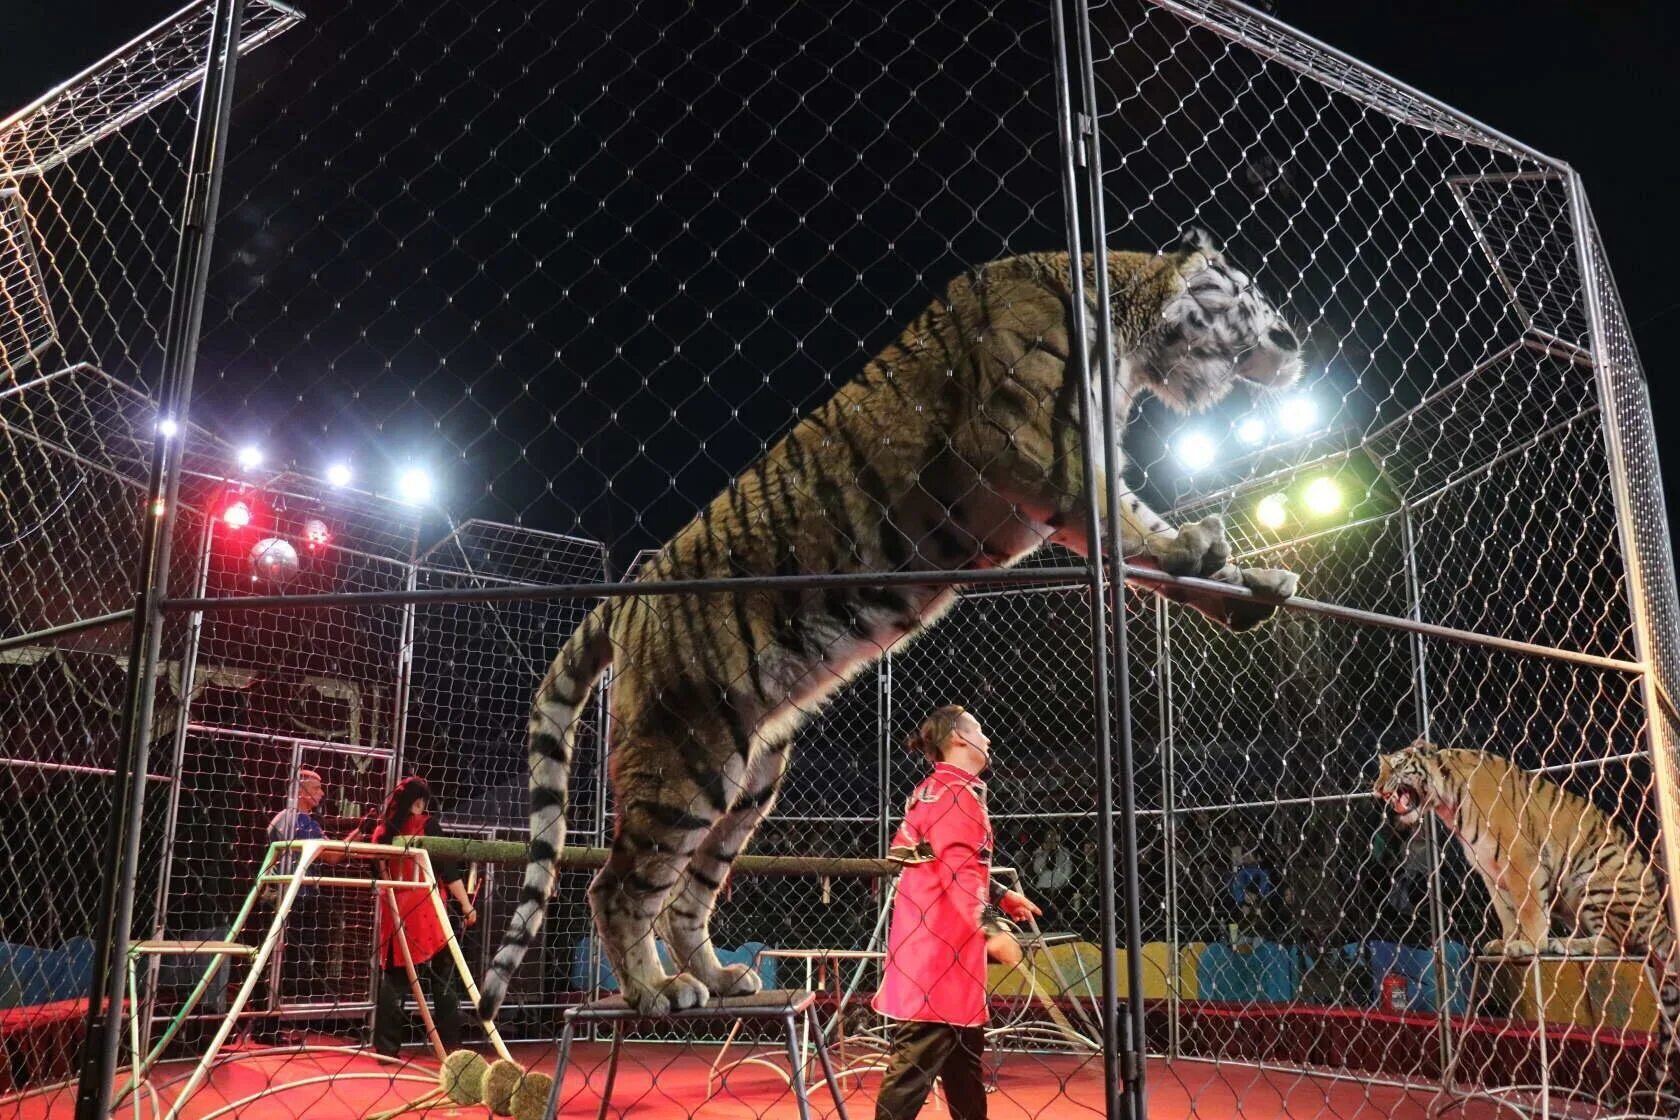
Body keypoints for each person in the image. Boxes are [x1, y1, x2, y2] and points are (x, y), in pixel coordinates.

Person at [874, 706, 1040, 1120]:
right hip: (939, 961)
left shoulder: (935, 789)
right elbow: (956, 872)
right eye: (980, 730)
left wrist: (1002, 896)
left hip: (940, 952)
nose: (988, 739)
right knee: (912, 1070)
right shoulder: (957, 796)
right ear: (959, 739)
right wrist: (992, 928)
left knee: (963, 1067)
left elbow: (949, 862)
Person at [369, 775, 478, 1058]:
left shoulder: (382, 832)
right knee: (443, 978)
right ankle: (451, 1046)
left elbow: (377, 873)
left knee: (395, 979)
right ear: (419, 803)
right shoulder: (427, 826)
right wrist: (466, 905)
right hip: (427, 909)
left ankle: (387, 1047)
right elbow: (448, 870)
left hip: (395, 908)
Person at [240, 768, 340, 1045]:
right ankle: (266, 1027)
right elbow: (331, 855)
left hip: (276, 897)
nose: (321, 792)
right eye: (316, 787)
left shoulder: (283, 818)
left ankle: (263, 1023)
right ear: (301, 791)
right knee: (279, 964)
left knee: (271, 962)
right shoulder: (302, 821)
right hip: (290, 900)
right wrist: (354, 841)